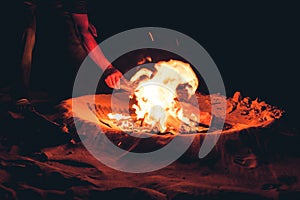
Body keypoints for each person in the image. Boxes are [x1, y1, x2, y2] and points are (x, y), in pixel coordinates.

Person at [15, 0, 122, 110]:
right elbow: (84, 34)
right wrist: (108, 68)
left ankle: (77, 91)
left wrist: (80, 20)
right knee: (28, 32)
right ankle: (19, 93)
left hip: (57, 5)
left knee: (74, 34)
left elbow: (82, 31)